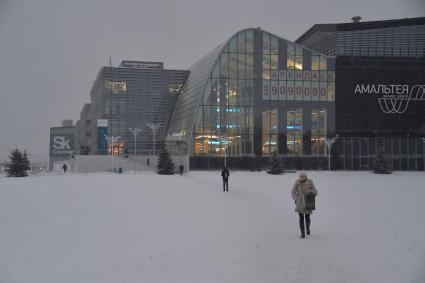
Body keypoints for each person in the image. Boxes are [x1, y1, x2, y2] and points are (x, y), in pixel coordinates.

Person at [291, 172, 318, 238]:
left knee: (307, 217)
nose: (301, 177)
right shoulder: (297, 182)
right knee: (301, 218)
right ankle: (302, 233)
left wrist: (310, 192)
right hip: (300, 203)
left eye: (303, 176)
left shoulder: (310, 182)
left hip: (308, 202)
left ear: (306, 177)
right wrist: (296, 198)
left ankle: (308, 228)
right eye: (300, 176)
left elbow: (315, 191)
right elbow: (293, 192)